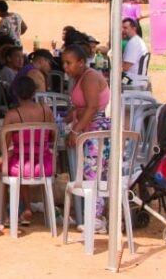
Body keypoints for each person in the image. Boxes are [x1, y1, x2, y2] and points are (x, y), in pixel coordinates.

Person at [0, 75, 55, 228]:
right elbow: (53, 135)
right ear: (34, 93)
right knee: (20, 162)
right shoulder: (45, 110)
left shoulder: (12, 115)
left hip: (21, 166)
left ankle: (4, 215)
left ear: (16, 94)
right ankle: (27, 208)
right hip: (44, 166)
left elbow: (4, 146)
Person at [62, 43, 111, 230]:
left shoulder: (90, 78)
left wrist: (76, 131)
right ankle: (91, 215)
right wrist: (69, 119)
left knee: (94, 174)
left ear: (81, 62)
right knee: (90, 173)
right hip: (88, 129)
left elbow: (91, 107)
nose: (65, 67)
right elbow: (80, 106)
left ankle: (95, 218)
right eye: (64, 63)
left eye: (69, 63)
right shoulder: (81, 77)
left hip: (96, 131)